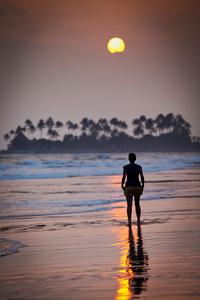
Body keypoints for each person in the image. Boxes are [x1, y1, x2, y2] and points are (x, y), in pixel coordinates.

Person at [121, 153, 144, 225]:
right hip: (137, 186)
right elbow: (142, 177)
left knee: (129, 205)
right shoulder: (138, 167)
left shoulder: (126, 167)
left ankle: (129, 221)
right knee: (137, 204)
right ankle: (138, 220)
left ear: (128, 159)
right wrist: (142, 186)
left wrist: (122, 185)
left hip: (128, 187)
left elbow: (124, 177)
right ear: (135, 159)